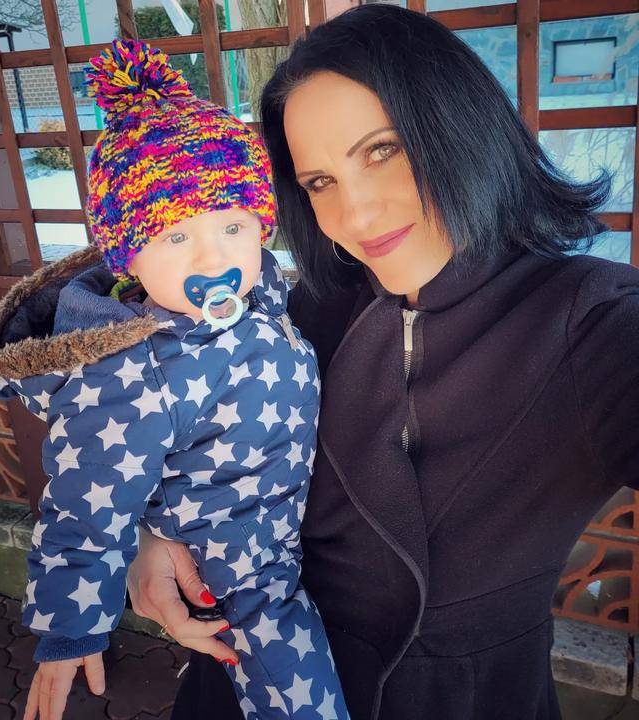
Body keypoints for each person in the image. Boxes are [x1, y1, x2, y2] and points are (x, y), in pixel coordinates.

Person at [124, 6, 639, 720]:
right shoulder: (298, 313)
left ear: (460, 126)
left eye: (381, 151)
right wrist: (151, 539)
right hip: (245, 682)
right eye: (320, 182)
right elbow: (188, 440)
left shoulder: (592, 320)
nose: (357, 215)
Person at [0, 40, 349, 720]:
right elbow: (86, 506)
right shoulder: (133, 370)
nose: (214, 257)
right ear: (129, 255)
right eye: (177, 237)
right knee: (299, 694)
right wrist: (71, 629)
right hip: (234, 564)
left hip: (288, 525)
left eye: (233, 225)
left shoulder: (260, 294)